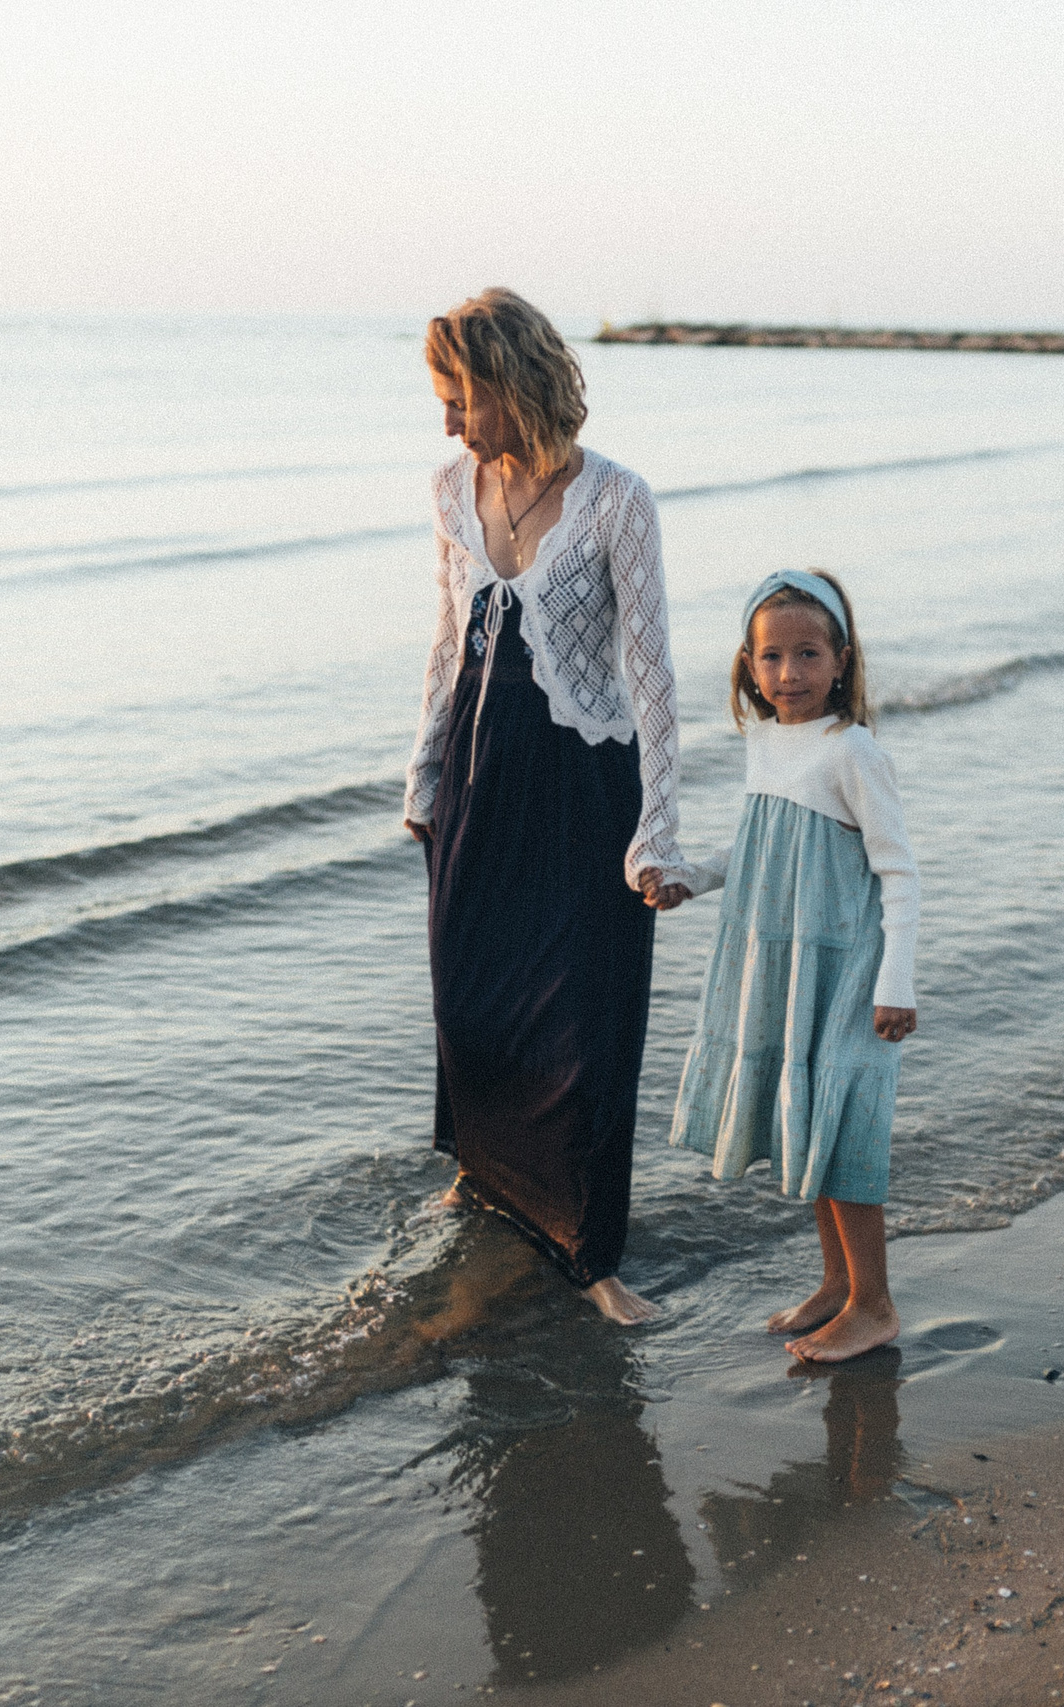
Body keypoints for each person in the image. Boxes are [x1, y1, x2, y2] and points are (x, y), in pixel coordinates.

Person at [404, 288, 679, 1326]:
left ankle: (590, 1253)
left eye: (459, 398)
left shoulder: (617, 499)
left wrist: (659, 827)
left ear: (511, 385)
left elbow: (649, 669)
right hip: (477, 767)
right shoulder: (448, 487)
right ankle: (488, 1183)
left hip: (581, 782)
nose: (448, 422)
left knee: (585, 1019)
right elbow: (446, 643)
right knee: (470, 1002)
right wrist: (423, 774)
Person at [650, 569, 920, 1363]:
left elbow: (898, 870)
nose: (789, 674)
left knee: (844, 1129)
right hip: (780, 960)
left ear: (841, 660)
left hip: (846, 969)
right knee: (809, 1122)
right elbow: (765, 844)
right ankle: (837, 1284)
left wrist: (895, 982)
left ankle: (875, 1304)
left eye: (808, 654)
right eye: (772, 658)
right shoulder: (765, 742)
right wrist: (693, 877)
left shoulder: (852, 751)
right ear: (748, 665)